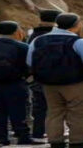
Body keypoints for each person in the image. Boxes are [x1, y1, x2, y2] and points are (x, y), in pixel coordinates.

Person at [28, 12, 83, 148]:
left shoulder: (38, 40)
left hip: (49, 84)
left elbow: (29, 63)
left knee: (54, 113)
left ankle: (56, 145)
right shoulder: (80, 42)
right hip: (76, 83)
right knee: (79, 113)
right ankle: (77, 145)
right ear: (76, 25)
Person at [0, 21, 31, 146]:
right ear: (16, 32)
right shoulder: (22, 47)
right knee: (19, 110)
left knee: (0, 111)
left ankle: (1, 137)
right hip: (16, 82)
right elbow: (29, 66)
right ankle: (22, 136)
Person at [25, 9, 61, 140]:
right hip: (58, 77)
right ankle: (55, 133)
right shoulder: (58, 36)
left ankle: (38, 133)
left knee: (40, 107)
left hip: (38, 78)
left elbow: (28, 59)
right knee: (57, 107)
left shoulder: (33, 36)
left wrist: (30, 76)